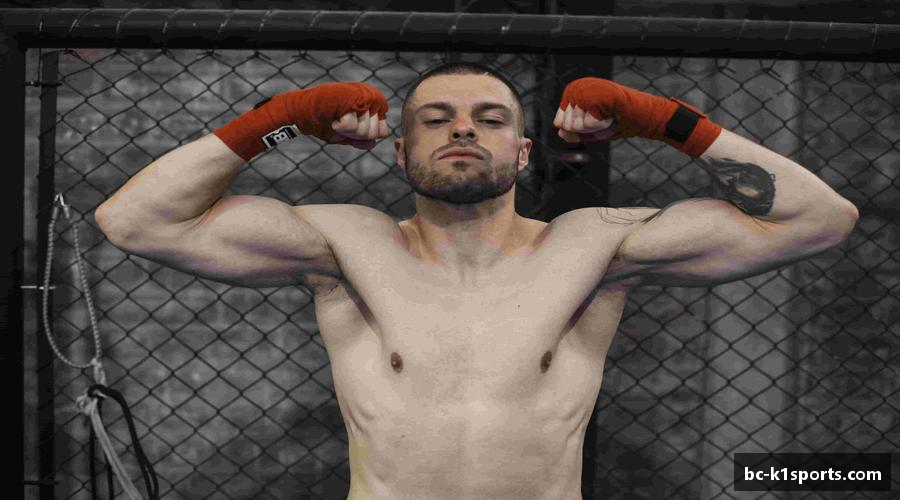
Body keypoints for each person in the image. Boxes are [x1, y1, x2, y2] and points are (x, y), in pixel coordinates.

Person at [94, 62, 858, 500]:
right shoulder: (347, 245)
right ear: (400, 153)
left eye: (490, 119)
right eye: (436, 119)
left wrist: (663, 120)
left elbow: (818, 220)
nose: (463, 128)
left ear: (523, 154)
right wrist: (283, 117)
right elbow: (136, 222)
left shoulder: (593, 247)